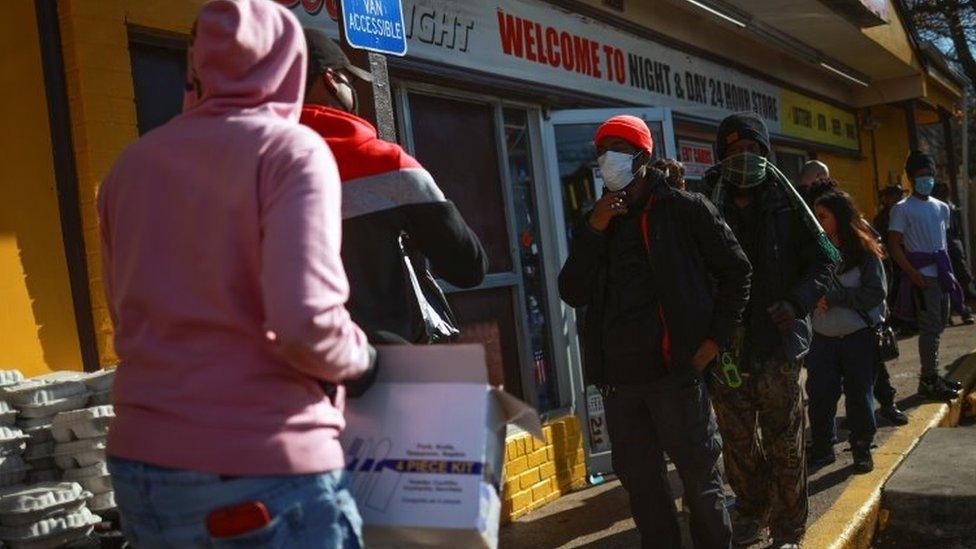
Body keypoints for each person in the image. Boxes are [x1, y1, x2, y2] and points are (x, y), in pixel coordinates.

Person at [98, 2, 372, 546]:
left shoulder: (128, 167)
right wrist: (361, 359)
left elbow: (124, 312)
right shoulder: (290, 151)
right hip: (262, 464)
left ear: (198, 65)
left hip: (141, 464)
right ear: (289, 62)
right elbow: (305, 322)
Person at [559, 115, 751, 549]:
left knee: (700, 483)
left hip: (676, 373)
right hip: (621, 384)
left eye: (617, 150)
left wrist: (715, 341)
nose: (606, 159)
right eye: (601, 151)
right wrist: (594, 229)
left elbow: (737, 272)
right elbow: (571, 290)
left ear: (642, 158)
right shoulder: (599, 219)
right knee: (644, 489)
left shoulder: (685, 209)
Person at [299, 30, 487, 342]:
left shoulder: (247, 169)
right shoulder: (387, 164)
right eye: (348, 80)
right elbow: (469, 268)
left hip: (285, 378)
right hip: (391, 370)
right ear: (331, 80)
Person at [705, 112, 835, 549]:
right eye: (734, 151)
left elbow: (825, 260)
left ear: (766, 153)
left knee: (785, 444)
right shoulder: (706, 202)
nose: (744, 158)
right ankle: (751, 511)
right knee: (737, 446)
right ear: (720, 156)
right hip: (726, 350)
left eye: (752, 150)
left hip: (777, 346)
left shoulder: (790, 203)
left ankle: (788, 529)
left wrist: (796, 302)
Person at [807, 191, 887, 474]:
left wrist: (836, 298)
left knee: (859, 394)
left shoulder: (864, 250)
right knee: (819, 395)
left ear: (839, 217)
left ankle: (862, 447)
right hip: (823, 337)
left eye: (823, 217)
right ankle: (822, 447)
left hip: (858, 336)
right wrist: (810, 296)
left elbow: (875, 292)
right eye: (815, 217)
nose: (818, 222)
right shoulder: (812, 249)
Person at [889, 151, 964, 400]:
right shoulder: (902, 209)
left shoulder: (942, 208)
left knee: (940, 324)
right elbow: (895, 244)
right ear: (911, 178)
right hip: (923, 276)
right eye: (921, 176)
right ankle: (929, 378)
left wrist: (951, 273)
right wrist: (912, 273)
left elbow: (944, 243)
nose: (927, 179)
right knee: (930, 328)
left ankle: (932, 375)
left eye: (929, 175)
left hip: (942, 274)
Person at [932, 183, 975, 324]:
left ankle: (959, 311)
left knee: (956, 281)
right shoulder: (937, 208)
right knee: (949, 282)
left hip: (952, 249)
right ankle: (955, 312)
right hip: (943, 251)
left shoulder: (947, 208)